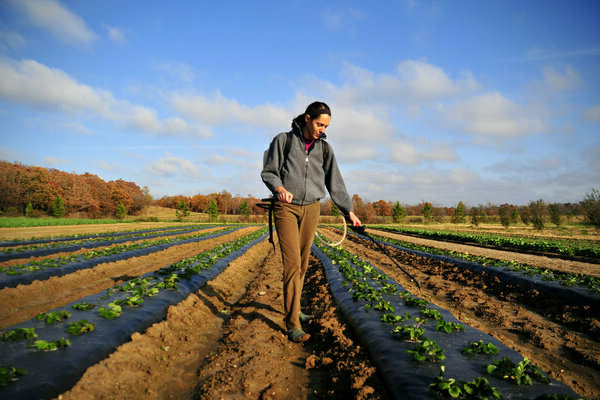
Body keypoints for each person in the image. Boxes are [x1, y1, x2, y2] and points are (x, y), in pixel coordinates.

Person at [261, 101, 361, 342]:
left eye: (326, 126)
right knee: (293, 264)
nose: (322, 130)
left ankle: (295, 309)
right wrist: (280, 188)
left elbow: (335, 182)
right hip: (286, 208)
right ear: (307, 118)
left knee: (304, 263)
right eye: (319, 124)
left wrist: (348, 210)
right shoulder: (283, 140)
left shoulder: (325, 149)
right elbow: (269, 172)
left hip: (312, 208)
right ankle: (292, 323)